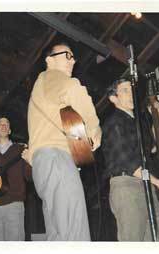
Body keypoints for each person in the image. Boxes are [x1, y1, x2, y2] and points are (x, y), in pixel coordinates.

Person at [25, 42, 102, 241]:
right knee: (75, 234)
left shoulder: (42, 87)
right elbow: (74, 89)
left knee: (58, 236)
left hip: (45, 165)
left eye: (74, 57)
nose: (73, 60)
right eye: (67, 55)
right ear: (49, 60)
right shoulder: (53, 76)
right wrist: (94, 127)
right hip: (57, 161)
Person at [101, 78, 159, 241]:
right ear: (114, 98)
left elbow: (151, 149)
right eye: (125, 90)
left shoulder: (137, 124)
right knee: (134, 241)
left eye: (131, 89)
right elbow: (129, 163)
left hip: (145, 183)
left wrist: (157, 119)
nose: (131, 94)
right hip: (127, 185)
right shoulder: (115, 123)